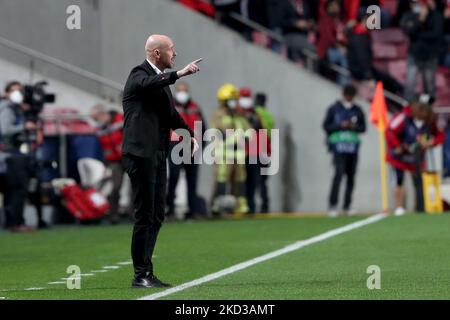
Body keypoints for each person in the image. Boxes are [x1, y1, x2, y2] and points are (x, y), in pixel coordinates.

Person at [122, 34, 200, 289]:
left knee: (157, 214)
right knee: (145, 214)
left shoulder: (160, 84)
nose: (175, 54)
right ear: (157, 53)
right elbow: (147, 83)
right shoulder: (139, 74)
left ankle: (146, 271)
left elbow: (170, 114)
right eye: (171, 50)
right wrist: (180, 74)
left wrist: (188, 133)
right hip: (140, 154)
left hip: (156, 153)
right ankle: (140, 274)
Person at [386, 95, 444, 215]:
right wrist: (397, 145)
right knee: (399, 180)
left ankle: (420, 207)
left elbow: (439, 135)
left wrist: (431, 143)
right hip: (399, 156)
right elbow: (389, 131)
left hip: (416, 157)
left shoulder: (429, 121)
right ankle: (399, 207)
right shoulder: (403, 117)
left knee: (418, 181)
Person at [323, 84, 366, 217]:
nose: (349, 98)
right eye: (347, 96)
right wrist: (339, 125)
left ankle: (347, 205)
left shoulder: (358, 110)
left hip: (352, 147)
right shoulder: (334, 108)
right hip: (338, 147)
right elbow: (326, 126)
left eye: (351, 96)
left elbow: (363, 128)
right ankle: (333, 205)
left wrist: (353, 126)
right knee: (338, 174)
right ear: (343, 95)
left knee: (351, 176)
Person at [0, 81, 37, 232]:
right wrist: (24, 127)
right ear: (7, 93)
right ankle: (16, 223)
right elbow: (5, 129)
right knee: (17, 190)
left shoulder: (17, 109)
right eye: (14, 90)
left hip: (12, 154)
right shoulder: (7, 109)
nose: (17, 94)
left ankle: (13, 223)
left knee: (13, 190)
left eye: (19, 91)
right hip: (10, 155)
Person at [166, 82, 206, 220]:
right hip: (175, 146)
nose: (182, 93)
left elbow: (203, 127)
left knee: (192, 180)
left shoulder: (195, 107)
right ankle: (169, 210)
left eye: (185, 90)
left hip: (192, 147)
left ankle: (192, 211)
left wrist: (202, 146)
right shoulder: (170, 105)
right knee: (174, 178)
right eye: (180, 90)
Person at [210, 83, 251, 216]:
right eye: (231, 100)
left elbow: (249, 131)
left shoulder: (239, 116)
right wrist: (236, 138)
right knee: (222, 179)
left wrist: (244, 137)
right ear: (224, 101)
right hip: (223, 155)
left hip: (238, 155)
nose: (234, 102)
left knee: (240, 180)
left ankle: (240, 205)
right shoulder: (218, 116)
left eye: (235, 99)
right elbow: (216, 133)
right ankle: (218, 205)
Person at [347, 10, 404, 96]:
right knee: (392, 84)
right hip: (360, 72)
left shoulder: (360, 34)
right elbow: (363, 59)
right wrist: (369, 77)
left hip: (363, 70)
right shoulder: (360, 36)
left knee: (391, 81)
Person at [90, 104, 128, 224]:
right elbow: (103, 149)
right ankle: (113, 215)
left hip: (129, 157)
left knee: (137, 187)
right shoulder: (100, 130)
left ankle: (136, 213)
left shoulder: (120, 120)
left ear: (103, 114)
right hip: (114, 161)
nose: (96, 121)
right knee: (116, 187)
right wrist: (105, 165)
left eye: (96, 118)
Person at [401, 0, 444, 102]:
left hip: (430, 55)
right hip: (414, 54)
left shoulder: (436, 16)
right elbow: (409, 31)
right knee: (410, 82)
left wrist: (419, 35)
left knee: (429, 84)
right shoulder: (409, 15)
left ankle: (428, 108)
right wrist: (420, 19)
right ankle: (408, 105)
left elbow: (436, 34)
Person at [254, 92, 275, 213]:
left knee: (253, 179)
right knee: (263, 180)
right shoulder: (269, 115)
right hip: (266, 149)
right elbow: (269, 133)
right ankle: (265, 205)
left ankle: (252, 204)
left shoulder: (255, 113)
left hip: (255, 149)